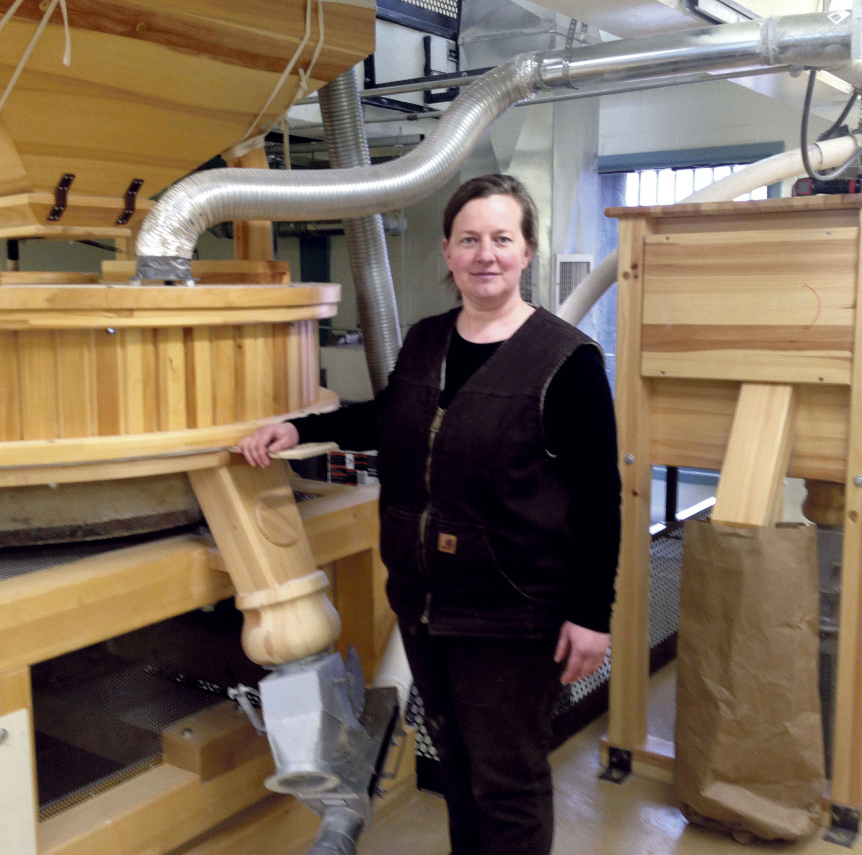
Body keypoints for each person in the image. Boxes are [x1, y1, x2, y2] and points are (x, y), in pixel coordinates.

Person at [239, 173, 621, 855]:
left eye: (502, 238)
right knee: (460, 768)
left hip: (511, 612)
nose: (486, 254)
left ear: (526, 251)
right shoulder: (426, 341)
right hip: (425, 602)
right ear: (447, 251)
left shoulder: (567, 362)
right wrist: (300, 428)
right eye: (470, 239)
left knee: (507, 782)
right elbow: (392, 417)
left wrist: (593, 613)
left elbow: (599, 498)